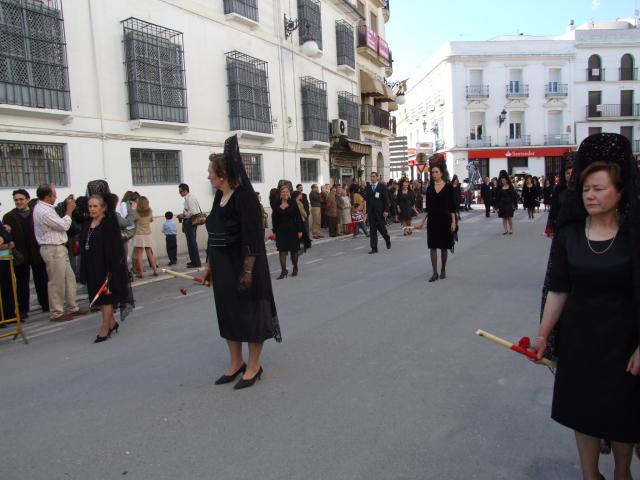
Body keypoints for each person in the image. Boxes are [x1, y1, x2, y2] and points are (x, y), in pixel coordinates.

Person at [533, 133, 640, 480]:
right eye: (585, 189)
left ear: (620, 192)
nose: (590, 195)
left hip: (623, 341)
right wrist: (543, 335)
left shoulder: (635, 234)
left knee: (623, 415)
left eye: (599, 188)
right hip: (579, 340)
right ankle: (590, 475)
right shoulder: (570, 235)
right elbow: (559, 290)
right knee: (583, 414)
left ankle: (623, 472)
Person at [204, 136, 281, 389]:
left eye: (211, 173)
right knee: (228, 313)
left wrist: (247, 271)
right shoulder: (219, 197)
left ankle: (254, 365)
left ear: (223, 175)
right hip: (222, 265)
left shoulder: (244, 198)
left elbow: (252, 237)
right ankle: (236, 363)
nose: (208, 177)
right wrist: (209, 265)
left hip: (243, 265)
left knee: (250, 314)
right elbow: (214, 232)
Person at [79, 193, 133, 343]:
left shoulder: (108, 224)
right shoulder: (87, 223)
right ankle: (112, 323)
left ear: (103, 208)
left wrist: (112, 270)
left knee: (106, 298)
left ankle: (104, 329)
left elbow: (116, 249)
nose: (92, 209)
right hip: (92, 266)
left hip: (106, 267)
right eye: (90, 206)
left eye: (95, 206)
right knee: (99, 298)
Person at [33, 185, 88, 322]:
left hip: (60, 247)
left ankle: (72, 306)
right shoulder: (43, 211)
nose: (55, 197)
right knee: (56, 282)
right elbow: (64, 225)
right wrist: (69, 210)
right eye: (54, 195)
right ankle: (56, 312)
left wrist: (65, 206)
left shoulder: (48, 208)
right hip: (52, 248)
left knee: (69, 279)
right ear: (47, 196)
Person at [3, 189, 49, 318]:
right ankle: (23, 309)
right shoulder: (8, 216)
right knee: (22, 283)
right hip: (20, 254)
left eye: (21, 199)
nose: (18, 202)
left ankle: (46, 304)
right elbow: (6, 234)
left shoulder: (36, 213)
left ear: (28, 199)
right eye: (16, 200)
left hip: (36, 251)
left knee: (41, 279)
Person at [416, 164, 456, 282]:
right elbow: (428, 208)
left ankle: (443, 269)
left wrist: (453, 222)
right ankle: (434, 273)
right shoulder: (429, 189)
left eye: (436, 172)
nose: (434, 174)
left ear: (441, 173)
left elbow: (452, 207)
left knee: (444, 247)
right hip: (433, 220)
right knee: (432, 246)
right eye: (432, 172)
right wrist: (422, 222)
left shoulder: (448, 188)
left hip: (445, 219)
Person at [272, 185, 304, 279]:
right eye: (283, 192)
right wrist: (274, 231)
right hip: (281, 231)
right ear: (280, 194)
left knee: (294, 251)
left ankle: (295, 267)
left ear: (289, 193)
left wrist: (300, 230)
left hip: (292, 230)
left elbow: (298, 217)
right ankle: (283, 271)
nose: (285, 193)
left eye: (286, 192)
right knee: (282, 251)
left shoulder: (293, 202)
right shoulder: (276, 203)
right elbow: (274, 219)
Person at [132, 196, 159, 278]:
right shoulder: (150, 211)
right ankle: (155, 271)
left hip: (139, 234)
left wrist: (133, 210)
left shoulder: (136, 212)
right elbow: (151, 220)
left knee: (139, 254)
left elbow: (133, 220)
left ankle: (141, 273)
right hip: (147, 233)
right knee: (149, 253)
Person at [365, 172, 391, 254]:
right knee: (373, 231)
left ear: (377, 178)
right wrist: (367, 212)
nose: (372, 178)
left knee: (382, 229)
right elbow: (368, 201)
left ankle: (387, 239)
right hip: (371, 213)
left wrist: (386, 210)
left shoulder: (382, 187)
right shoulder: (368, 187)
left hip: (380, 213)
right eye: (371, 176)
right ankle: (374, 248)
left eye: (373, 176)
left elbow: (386, 199)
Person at [177, 183, 202, 268]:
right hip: (190, 221)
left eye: (180, 191)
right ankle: (194, 261)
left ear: (185, 190)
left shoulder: (189, 198)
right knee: (191, 242)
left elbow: (193, 211)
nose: (179, 193)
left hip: (190, 221)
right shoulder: (189, 197)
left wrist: (183, 215)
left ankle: (196, 262)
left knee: (191, 243)